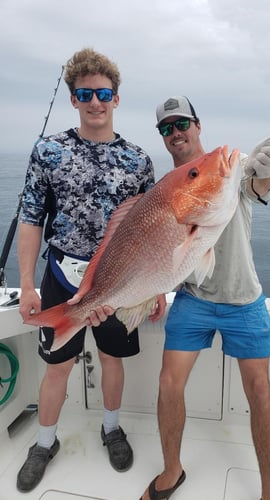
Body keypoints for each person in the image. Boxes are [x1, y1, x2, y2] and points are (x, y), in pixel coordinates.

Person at [16, 48, 166, 493]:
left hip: (121, 282)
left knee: (111, 358)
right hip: (62, 277)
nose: (95, 101)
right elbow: (30, 219)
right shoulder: (49, 150)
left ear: (117, 99)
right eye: (86, 93)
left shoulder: (139, 160)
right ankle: (44, 444)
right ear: (73, 99)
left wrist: (155, 287)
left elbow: (152, 231)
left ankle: (112, 428)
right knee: (56, 366)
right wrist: (27, 284)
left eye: (104, 93)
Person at [140, 96, 270, 500]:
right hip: (193, 298)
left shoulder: (228, 164)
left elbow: (257, 185)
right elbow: (163, 254)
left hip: (244, 299)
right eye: (166, 129)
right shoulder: (165, 191)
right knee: (169, 383)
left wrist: (265, 171)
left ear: (198, 124)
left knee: (259, 390)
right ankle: (173, 471)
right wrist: (150, 288)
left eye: (182, 123)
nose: (176, 133)